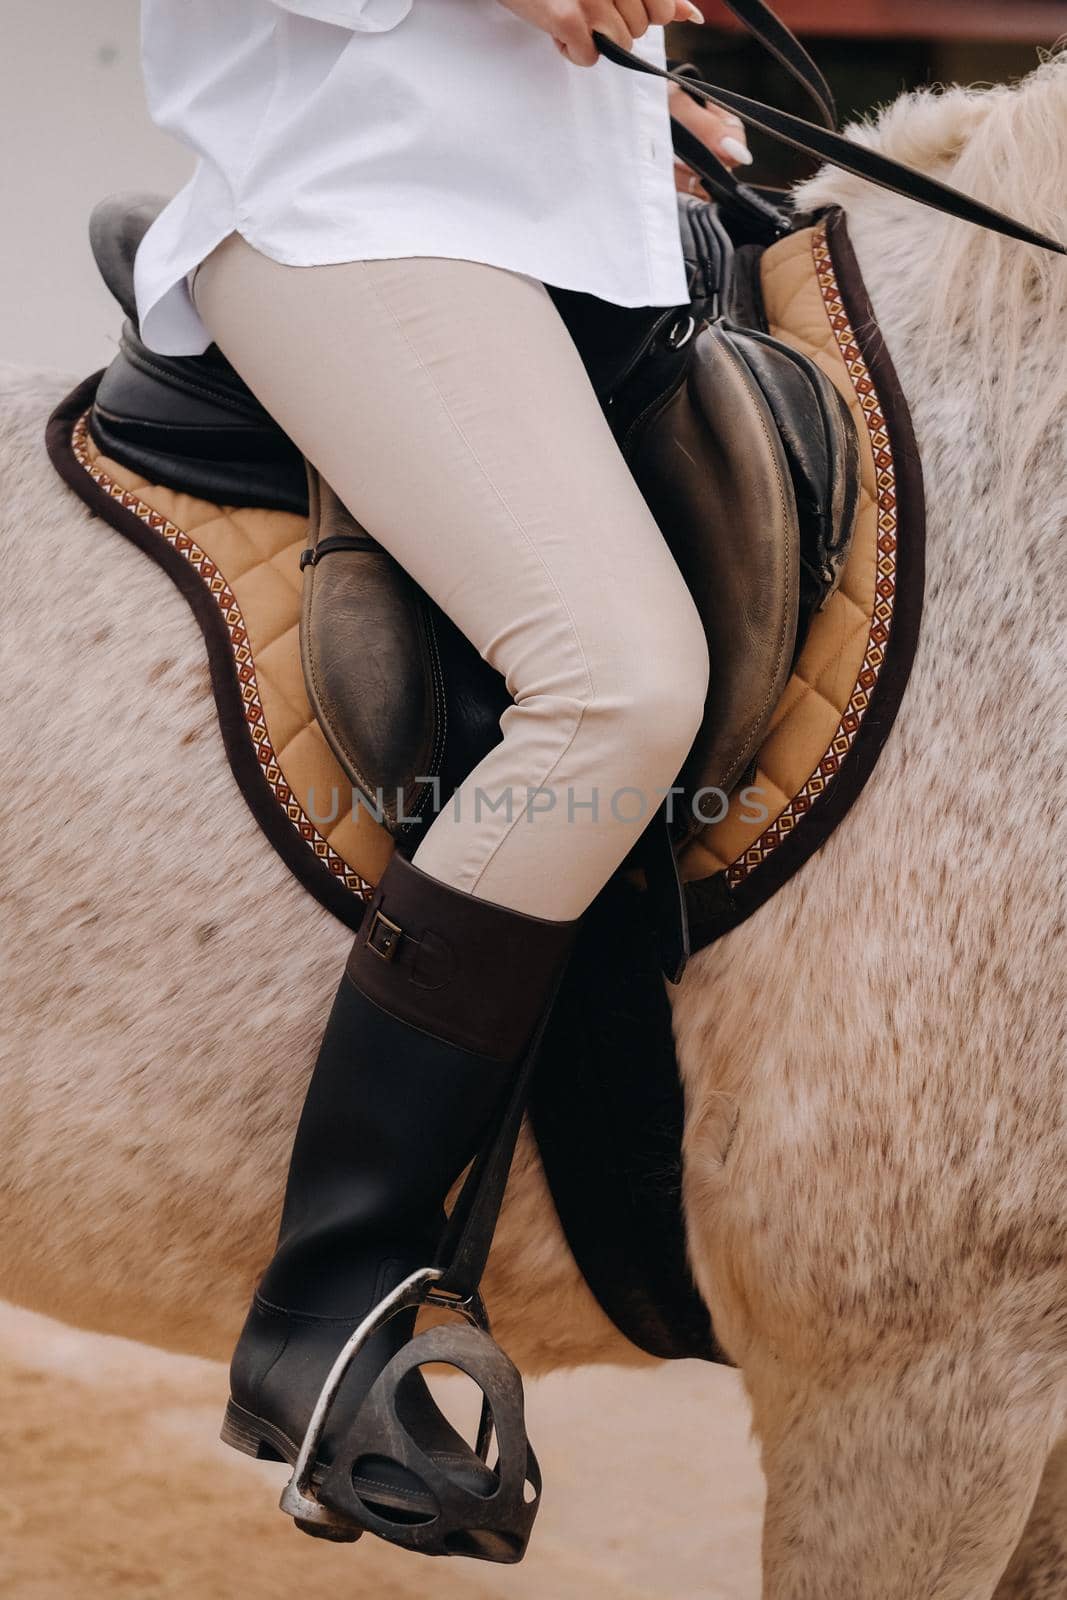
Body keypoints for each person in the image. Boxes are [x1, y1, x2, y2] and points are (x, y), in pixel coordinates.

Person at [134, 0, 748, 1553]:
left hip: (565, 225)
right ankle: (334, 1294)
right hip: (343, 203)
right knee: (616, 684)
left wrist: (615, 124)